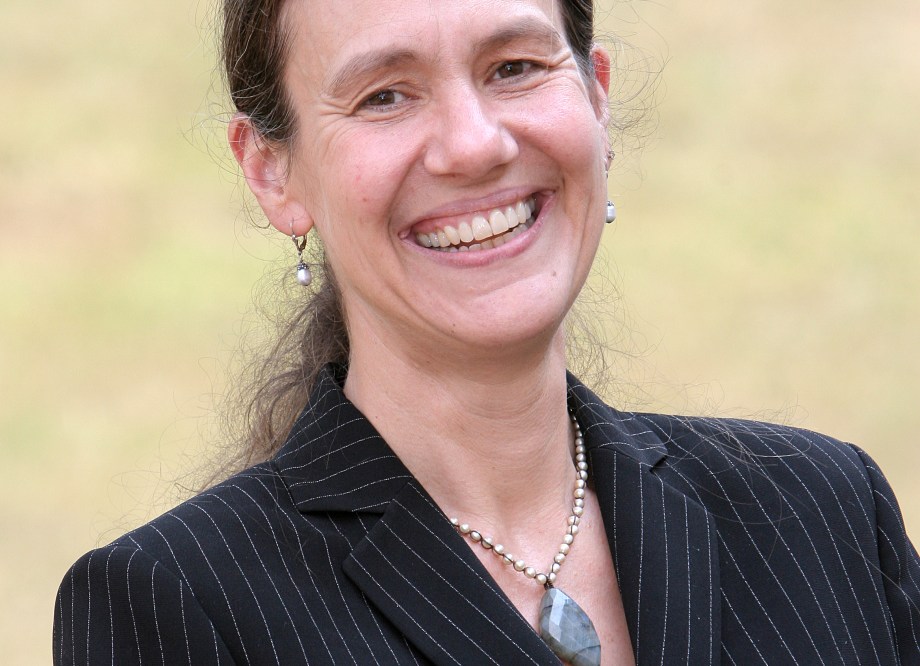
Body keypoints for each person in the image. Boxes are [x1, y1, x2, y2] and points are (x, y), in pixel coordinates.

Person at [53, 0, 920, 664]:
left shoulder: (827, 513)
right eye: (384, 96)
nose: (473, 146)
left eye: (514, 67)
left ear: (597, 99)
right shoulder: (175, 603)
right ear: (272, 172)